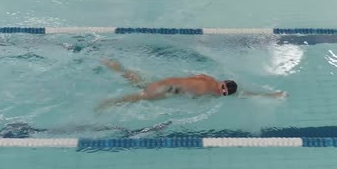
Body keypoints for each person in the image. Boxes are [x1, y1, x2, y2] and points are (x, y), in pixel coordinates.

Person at [98, 60, 287, 108]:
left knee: (139, 83)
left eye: (224, 92)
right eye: (223, 90)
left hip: (165, 84)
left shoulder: (209, 80)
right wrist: (159, 93)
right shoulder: (205, 88)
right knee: (133, 98)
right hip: (164, 89)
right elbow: (182, 89)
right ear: (222, 86)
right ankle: (103, 105)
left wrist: (273, 95)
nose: (221, 92)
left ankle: (116, 67)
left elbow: (245, 93)